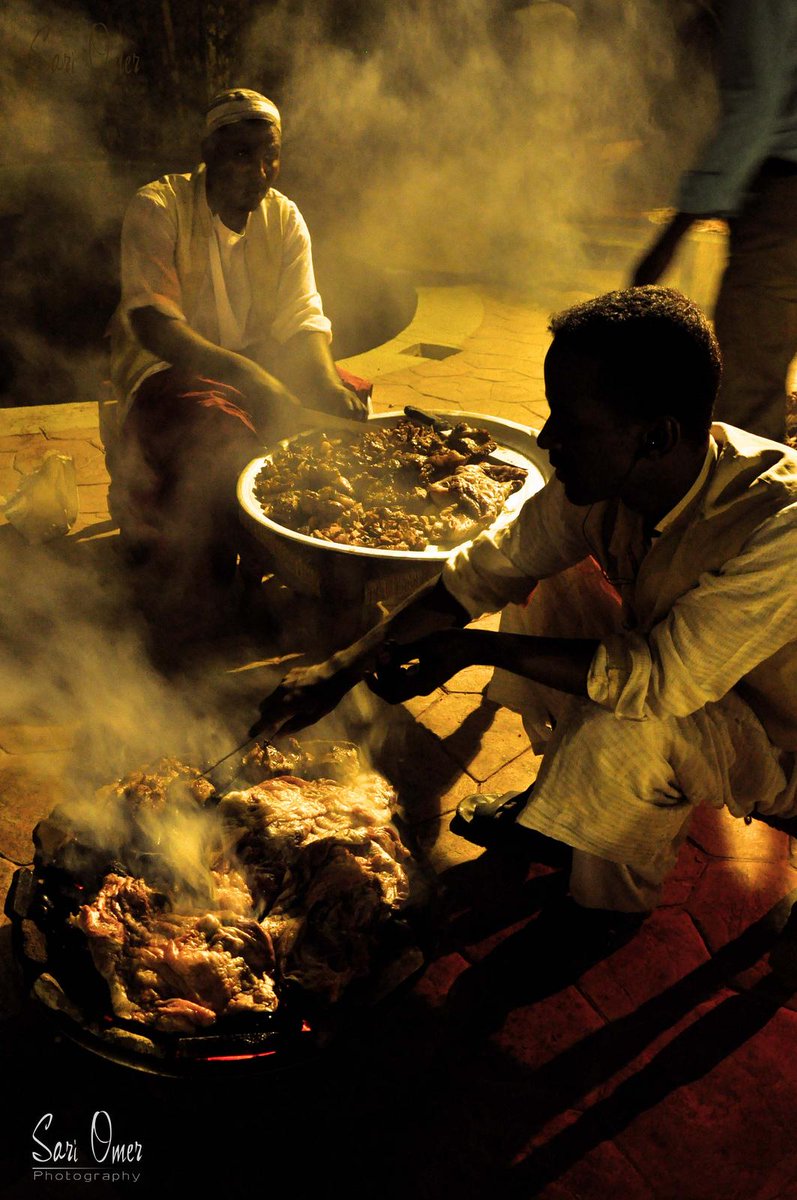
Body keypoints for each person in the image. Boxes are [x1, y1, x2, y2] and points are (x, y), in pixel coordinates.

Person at [254, 286, 797, 921]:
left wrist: (470, 647)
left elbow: (658, 682)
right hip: (693, 682)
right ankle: (560, 802)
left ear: (656, 436)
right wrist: (341, 669)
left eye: (570, 421)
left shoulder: (779, 526)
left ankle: (602, 913)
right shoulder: (618, 473)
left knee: (625, 728)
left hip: (781, 744)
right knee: (545, 584)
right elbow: (484, 572)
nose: (547, 437)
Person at [107, 87, 367, 639]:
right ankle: (268, 565)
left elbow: (304, 317)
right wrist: (254, 379)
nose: (260, 170)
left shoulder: (285, 217)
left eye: (270, 154)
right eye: (242, 154)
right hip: (168, 370)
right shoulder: (158, 206)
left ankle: (331, 542)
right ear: (208, 151)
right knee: (222, 433)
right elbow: (155, 325)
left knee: (346, 399)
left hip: (257, 362)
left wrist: (324, 387)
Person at [631, 0, 797, 443]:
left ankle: (748, 508)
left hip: (785, 198)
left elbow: (756, 108)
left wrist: (673, 231)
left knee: (746, 394)